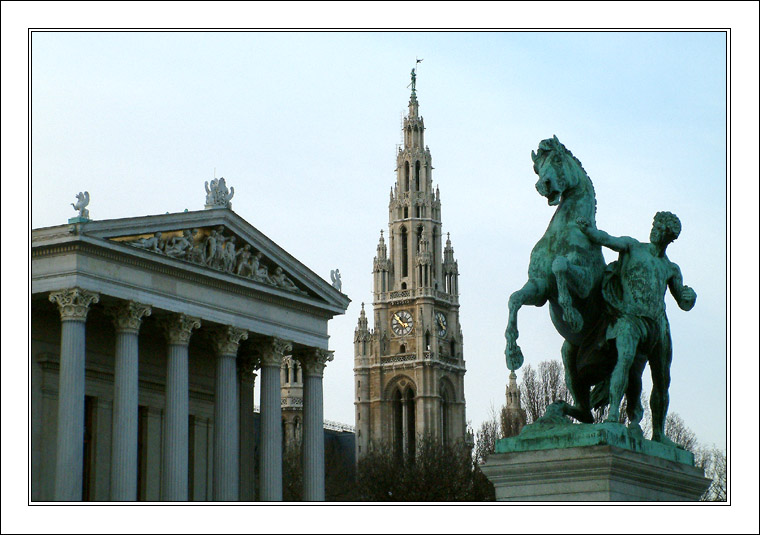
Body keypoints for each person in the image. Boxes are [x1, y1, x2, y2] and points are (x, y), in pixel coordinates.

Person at [577, 212, 696, 445]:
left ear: (669, 238)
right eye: (655, 226)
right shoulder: (632, 247)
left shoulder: (671, 268)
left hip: (658, 324)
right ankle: (613, 415)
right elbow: (608, 239)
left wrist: (690, 297)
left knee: (662, 380)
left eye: (661, 230)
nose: (655, 231)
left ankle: (659, 433)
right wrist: (589, 231)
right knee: (625, 359)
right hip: (630, 318)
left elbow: (682, 301)